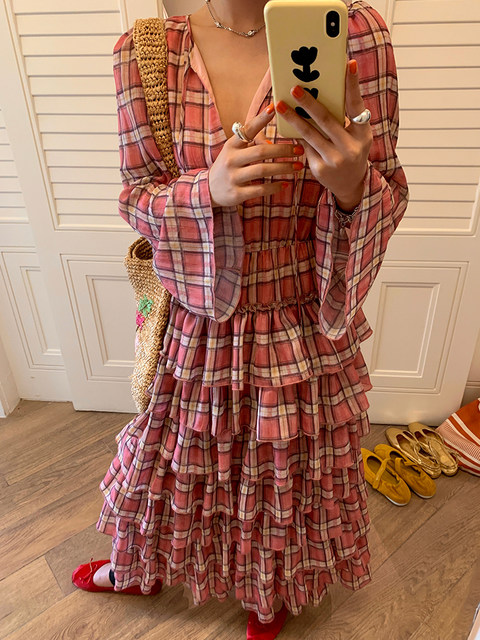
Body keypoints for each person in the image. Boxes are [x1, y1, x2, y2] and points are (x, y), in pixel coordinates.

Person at [72, 0, 409, 638]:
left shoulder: (355, 34)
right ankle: (142, 562)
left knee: (283, 474)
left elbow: (388, 186)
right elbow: (136, 197)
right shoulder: (147, 52)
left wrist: (351, 184)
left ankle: (267, 589)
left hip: (299, 326)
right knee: (169, 461)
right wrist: (208, 191)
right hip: (197, 324)